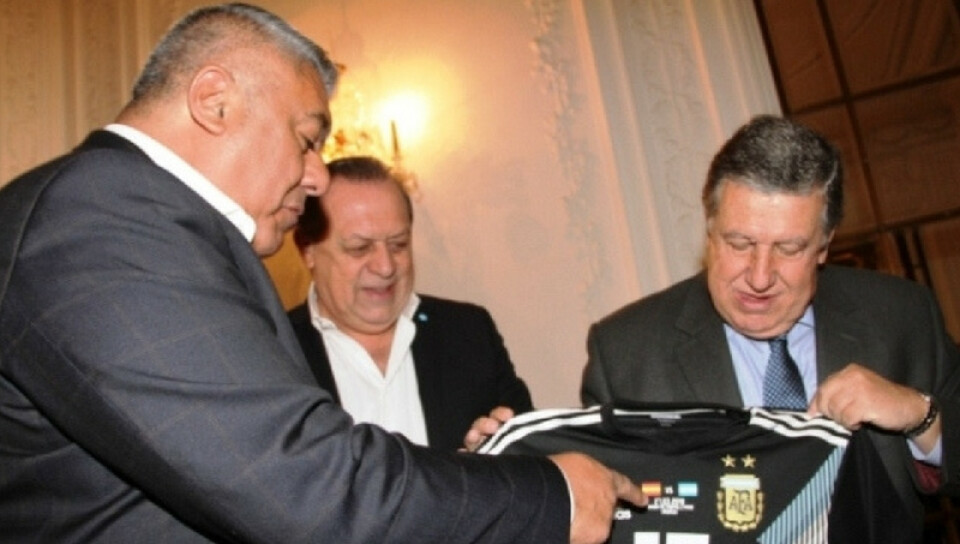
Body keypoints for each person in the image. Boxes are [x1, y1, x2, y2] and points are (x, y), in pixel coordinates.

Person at [0, 3, 644, 543]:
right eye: (308, 139)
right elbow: (309, 484)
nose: (317, 176)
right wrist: (553, 494)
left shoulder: (125, 214)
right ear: (215, 102)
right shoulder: (100, 214)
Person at [577, 115, 960, 539]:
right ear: (709, 233)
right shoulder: (625, 354)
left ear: (824, 244)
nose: (759, 277)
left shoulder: (902, 316)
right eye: (739, 243)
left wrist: (920, 416)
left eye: (789, 248)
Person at [288, 156, 533, 451]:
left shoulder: (468, 333)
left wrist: (491, 465)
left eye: (398, 245)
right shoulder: (274, 351)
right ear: (308, 251)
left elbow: (535, 456)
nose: (385, 266)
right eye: (359, 248)